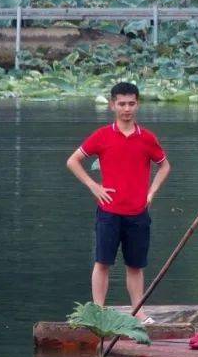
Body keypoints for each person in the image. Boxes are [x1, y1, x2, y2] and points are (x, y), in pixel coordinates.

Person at [66, 82, 171, 319]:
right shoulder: (102, 135)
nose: (127, 109)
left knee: (135, 265)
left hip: (138, 212)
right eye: (122, 104)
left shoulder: (147, 138)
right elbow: (73, 161)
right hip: (109, 212)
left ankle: (138, 312)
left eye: (131, 104)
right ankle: (98, 311)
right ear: (113, 105)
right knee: (102, 262)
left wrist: (151, 192)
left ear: (138, 104)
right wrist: (93, 186)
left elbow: (164, 165)